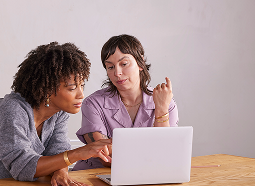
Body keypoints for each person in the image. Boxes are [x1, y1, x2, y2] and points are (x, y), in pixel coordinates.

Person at [0, 42, 112, 186]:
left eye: (82, 85)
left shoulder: (59, 113)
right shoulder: (12, 109)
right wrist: (79, 153)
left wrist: (61, 171)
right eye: (72, 88)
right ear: (48, 89)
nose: (81, 94)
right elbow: (23, 167)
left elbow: (57, 152)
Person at [72, 34, 178, 171]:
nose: (117, 73)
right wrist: (151, 152)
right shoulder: (93, 104)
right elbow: (105, 157)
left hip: (148, 177)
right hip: (95, 177)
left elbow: (167, 152)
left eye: (124, 64)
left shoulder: (166, 102)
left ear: (140, 62)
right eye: (110, 67)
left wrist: (161, 109)